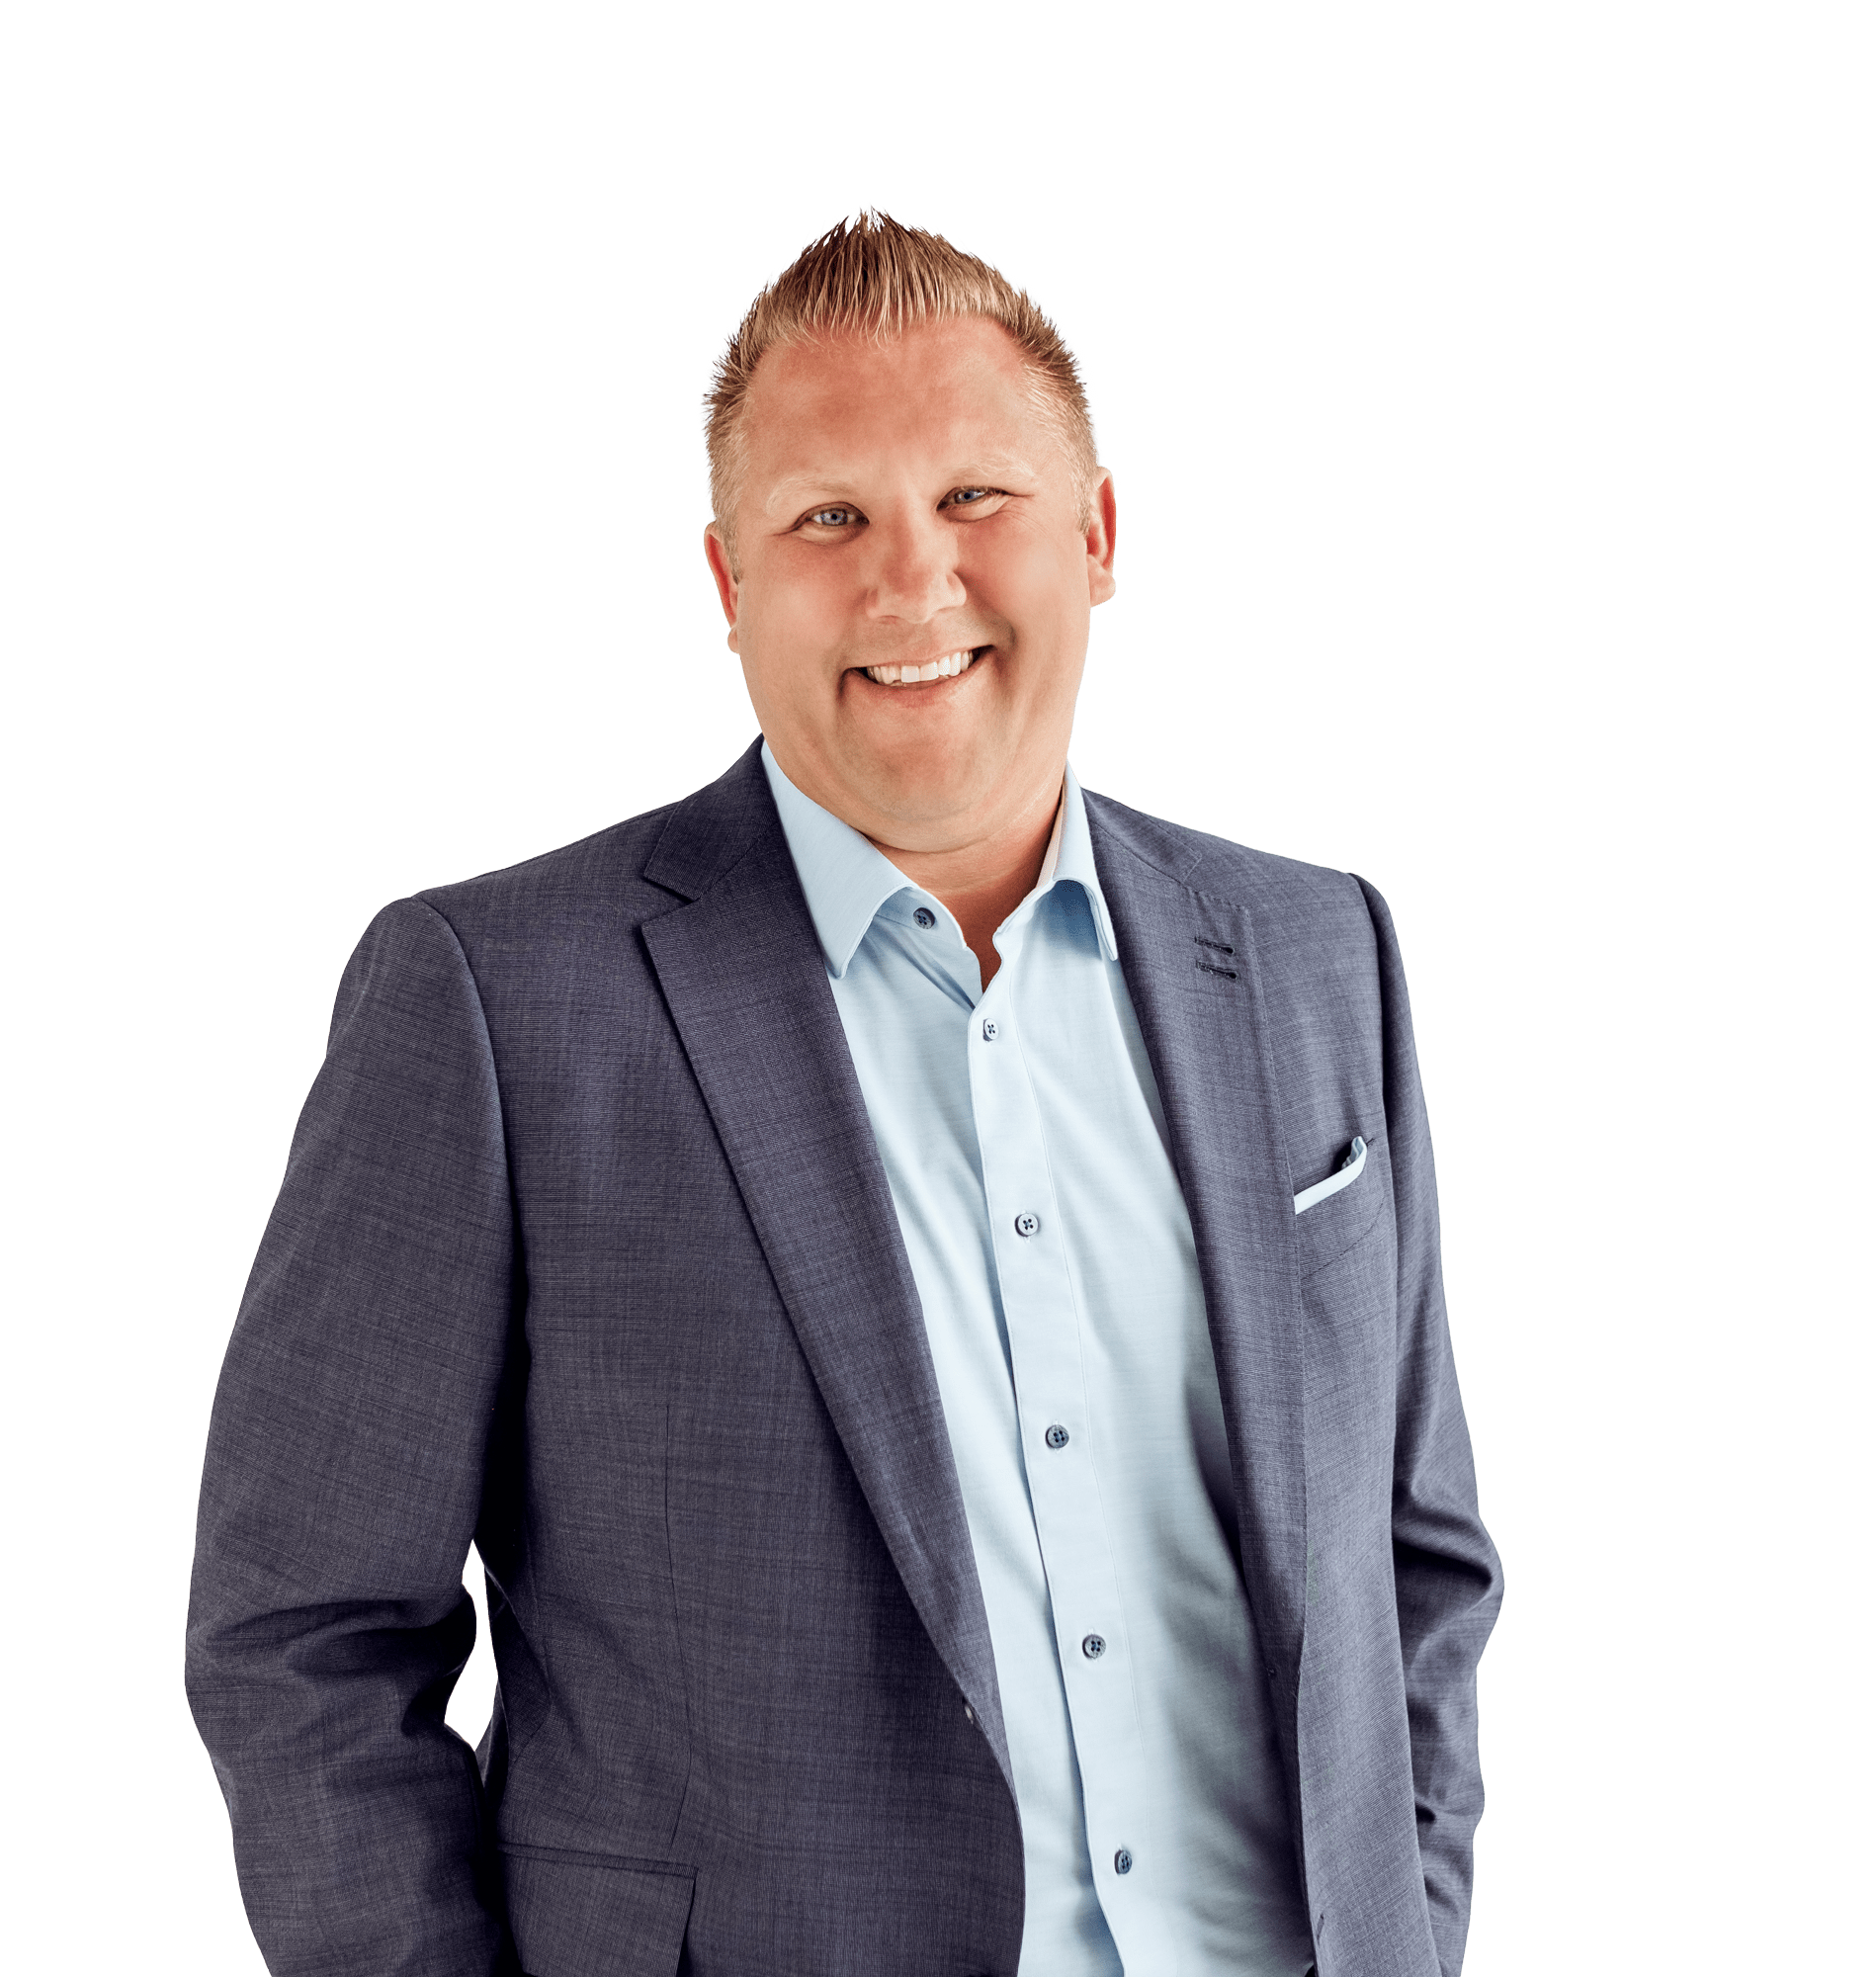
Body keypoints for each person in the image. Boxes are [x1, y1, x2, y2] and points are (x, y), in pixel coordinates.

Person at [186, 204, 1502, 1977]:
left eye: (976, 500)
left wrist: (1404, 1924)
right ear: (730, 584)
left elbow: (1421, 1570)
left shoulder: (1315, 948)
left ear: (1098, 535)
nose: (911, 583)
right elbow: (309, 1639)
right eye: (829, 519)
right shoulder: (493, 1002)